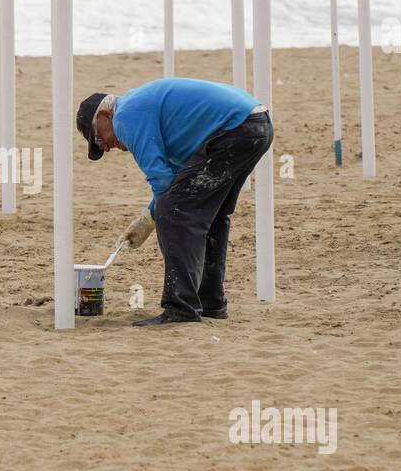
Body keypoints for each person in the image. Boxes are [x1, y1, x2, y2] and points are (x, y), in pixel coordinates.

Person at [76, 78, 273, 326]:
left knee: (174, 213)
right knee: (211, 216)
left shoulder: (124, 115)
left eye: (97, 138)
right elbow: (175, 180)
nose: (105, 147)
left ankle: (181, 308)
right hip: (255, 125)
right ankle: (210, 303)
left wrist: (157, 216)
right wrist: (149, 215)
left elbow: (161, 182)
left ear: (106, 115)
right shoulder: (143, 109)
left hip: (234, 130)